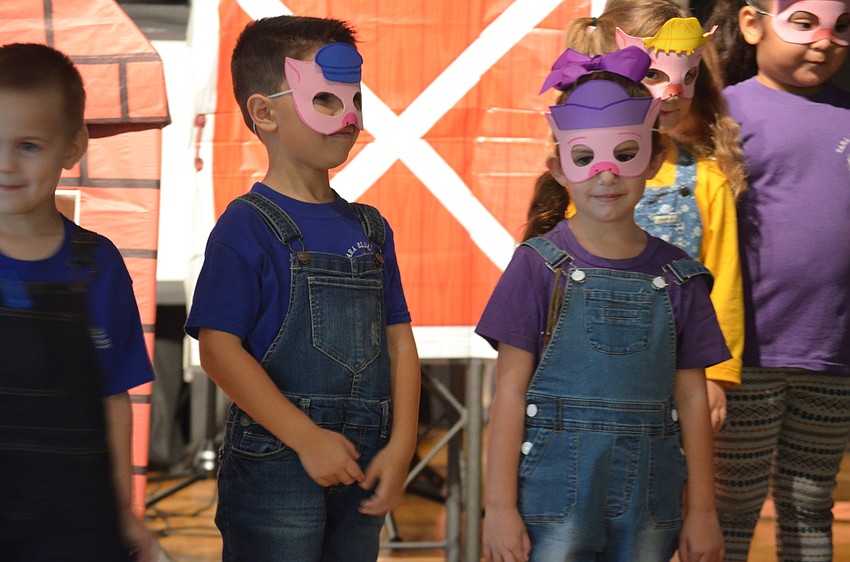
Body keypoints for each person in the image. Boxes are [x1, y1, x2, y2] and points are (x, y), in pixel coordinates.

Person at [477, 46, 729, 562]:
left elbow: (692, 401)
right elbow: (506, 394)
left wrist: (702, 511)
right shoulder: (535, 266)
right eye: (585, 158)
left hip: (652, 504)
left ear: (654, 159)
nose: (606, 174)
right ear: (559, 168)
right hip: (551, 499)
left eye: (625, 154)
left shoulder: (681, 277)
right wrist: (498, 508)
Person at [185, 15, 420, 562]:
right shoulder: (247, 225)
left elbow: (399, 341)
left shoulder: (371, 228)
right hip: (276, 464)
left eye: (355, 99)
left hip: (362, 462)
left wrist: (403, 444)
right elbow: (218, 349)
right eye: (328, 101)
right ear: (264, 112)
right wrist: (304, 437)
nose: (350, 118)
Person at [549, 0, 747, 432]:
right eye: (654, 74)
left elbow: (724, 281)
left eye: (688, 75)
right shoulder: (578, 174)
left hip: (678, 375)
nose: (674, 92)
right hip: (588, 370)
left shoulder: (706, 179)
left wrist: (716, 372)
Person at [704, 0, 850, 560]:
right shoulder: (724, 116)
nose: (823, 41)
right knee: (731, 505)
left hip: (831, 357)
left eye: (841, 27)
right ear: (751, 24)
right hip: (747, 360)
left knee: (812, 501)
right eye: (805, 22)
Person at [0, 43, 156, 561]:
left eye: (28, 146)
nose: (6, 165)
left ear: (73, 145)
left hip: (76, 519)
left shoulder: (98, 265)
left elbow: (114, 399)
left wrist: (120, 509)